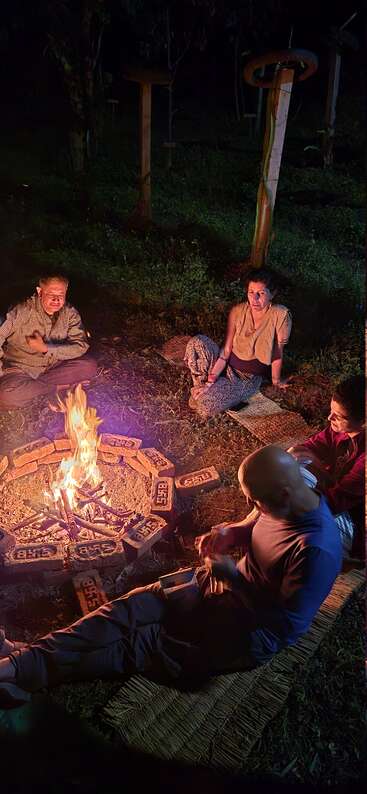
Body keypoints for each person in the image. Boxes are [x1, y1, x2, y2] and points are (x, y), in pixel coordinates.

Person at [0, 446, 341, 709]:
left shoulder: (316, 552)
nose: (251, 505)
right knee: (127, 610)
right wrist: (228, 533)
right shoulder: (295, 481)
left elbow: (281, 623)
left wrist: (233, 579)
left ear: (283, 495)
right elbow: (253, 520)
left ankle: (18, 667)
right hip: (215, 586)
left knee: (135, 645)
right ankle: (19, 664)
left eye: (255, 500)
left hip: (245, 632)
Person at [184, 268, 292, 418]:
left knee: (205, 406)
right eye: (250, 292)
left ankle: (207, 394)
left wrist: (276, 381)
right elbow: (226, 351)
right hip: (225, 366)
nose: (254, 299)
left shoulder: (280, 315)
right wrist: (209, 382)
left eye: (260, 294)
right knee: (197, 342)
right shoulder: (238, 311)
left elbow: (277, 352)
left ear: (272, 294)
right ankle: (202, 387)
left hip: (245, 380)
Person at [288, 374, 365, 561]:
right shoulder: (339, 429)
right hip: (331, 497)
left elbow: (334, 502)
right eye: (332, 411)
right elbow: (307, 448)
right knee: (291, 460)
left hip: (355, 526)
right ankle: (249, 526)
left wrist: (314, 465)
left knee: (295, 522)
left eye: (338, 416)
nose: (330, 417)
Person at [0, 274, 97, 410]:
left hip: (54, 366)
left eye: (61, 295)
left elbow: (81, 345)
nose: (56, 300)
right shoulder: (21, 310)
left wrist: (47, 348)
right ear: (40, 292)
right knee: (5, 395)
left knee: (89, 366)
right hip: (22, 369)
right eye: (51, 294)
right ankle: (59, 386)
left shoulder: (69, 313)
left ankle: (35, 390)